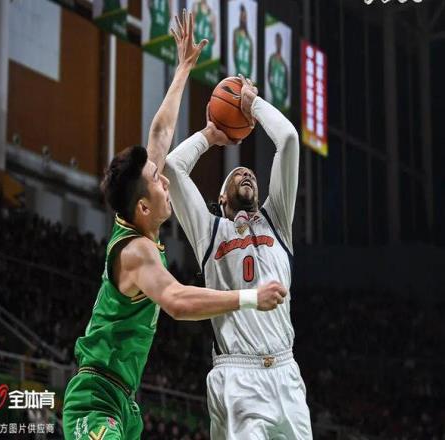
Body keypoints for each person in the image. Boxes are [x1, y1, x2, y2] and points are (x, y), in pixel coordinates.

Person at [63, 12, 287, 440]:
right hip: (94, 401)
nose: (165, 180)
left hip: (122, 400)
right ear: (143, 205)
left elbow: (161, 132)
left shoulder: (136, 216)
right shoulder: (137, 251)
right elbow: (177, 301)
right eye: (158, 181)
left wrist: (184, 71)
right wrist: (250, 298)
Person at [164, 75, 313, 439]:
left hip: (287, 371)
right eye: (237, 174)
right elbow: (172, 167)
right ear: (222, 198)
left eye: (250, 174)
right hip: (237, 374)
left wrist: (252, 106)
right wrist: (209, 135)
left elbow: (288, 139)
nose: (246, 173)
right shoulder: (210, 231)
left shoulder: (277, 220)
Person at [268, 32, 289, 111]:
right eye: (277, 41)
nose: (278, 43)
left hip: (281, 100)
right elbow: (268, 76)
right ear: (275, 42)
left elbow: (286, 84)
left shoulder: (284, 64)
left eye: (279, 41)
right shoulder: (272, 58)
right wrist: (273, 90)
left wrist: (283, 97)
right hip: (274, 97)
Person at [233, 4, 253, 79]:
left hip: (247, 74)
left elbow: (251, 59)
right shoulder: (236, 32)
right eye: (241, 16)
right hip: (238, 72)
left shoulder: (249, 39)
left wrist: (249, 76)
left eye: (244, 17)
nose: (243, 19)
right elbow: (234, 51)